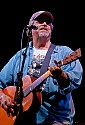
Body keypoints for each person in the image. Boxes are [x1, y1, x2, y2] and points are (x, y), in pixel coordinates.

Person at [0, 10, 83, 125]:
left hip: (56, 119)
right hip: (22, 119)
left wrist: (61, 75)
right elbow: (0, 82)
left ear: (51, 29)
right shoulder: (20, 56)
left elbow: (74, 80)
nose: (44, 23)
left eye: (48, 22)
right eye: (39, 21)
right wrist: (3, 97)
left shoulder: (64, 52)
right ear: (30, 29)